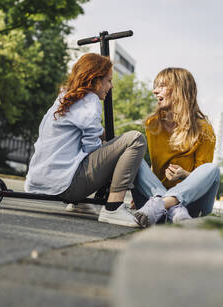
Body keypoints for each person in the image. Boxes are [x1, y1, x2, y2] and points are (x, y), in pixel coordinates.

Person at [25, 53, 147, 227]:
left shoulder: (64, 98)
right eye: (109, 80)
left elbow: (80, 134)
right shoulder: (90, 100)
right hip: (68, 185)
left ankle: (79, 204)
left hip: (42, 180)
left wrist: (108, 142)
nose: (111, 86)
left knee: (116, 144)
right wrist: (114, 157)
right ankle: (113, 207)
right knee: (135, 139)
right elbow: (92, 149)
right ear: (95, 80)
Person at [131, 67, 220, 227]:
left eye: (162, 86)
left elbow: (202, 178)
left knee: (212, 170)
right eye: (155, 86)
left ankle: (160, 205)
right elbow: (155, 167)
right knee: (133, 157)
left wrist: (183, 175)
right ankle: (169, 208)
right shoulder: (153, 124)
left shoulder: (204, 129)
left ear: (180, 90)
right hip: (157, 198)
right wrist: (144, 186)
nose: (155, 91)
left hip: (192, 204)